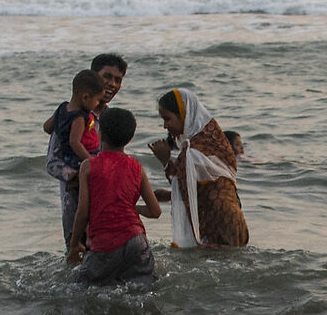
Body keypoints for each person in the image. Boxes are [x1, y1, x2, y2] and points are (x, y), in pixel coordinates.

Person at [69, 107, 162, 283]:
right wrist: (131, 208)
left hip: (105, 244)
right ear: (130, 138)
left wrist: (74, 245)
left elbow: (82, 212)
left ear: (100, 134)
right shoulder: (136, 167)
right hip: (137, 240)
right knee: (143, 288)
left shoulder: (88, 166)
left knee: (82, 286)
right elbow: (155, 211)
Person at [151, 86, 250, 248]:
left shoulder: (193, 151)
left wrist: (165, 161)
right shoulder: (214, 140)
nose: (165, 126)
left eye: (168, 119)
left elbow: (184, 185)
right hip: (231, 218)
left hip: (218, 223)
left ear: (184, 116)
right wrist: (169, 195)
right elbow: (201, 186)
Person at [42, 68, 105, 245]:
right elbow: (75, 142)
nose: (97, 104)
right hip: (76, 161)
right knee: (82, 202)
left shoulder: (62, 108)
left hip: (63, 159)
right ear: (85, 97)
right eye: (97, 100)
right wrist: (91, 161)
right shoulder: (80, 117)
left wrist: (60, 128)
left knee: (73, 206)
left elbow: (47, 127)